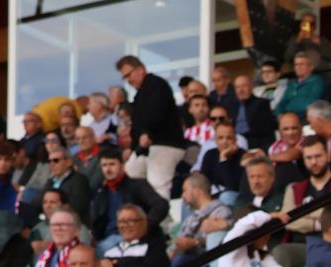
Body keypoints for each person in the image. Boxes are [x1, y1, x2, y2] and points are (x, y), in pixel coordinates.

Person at [273, 136, 331, 267]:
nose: (314, 162)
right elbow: (287, 221)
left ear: (329, 155)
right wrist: (316, 223)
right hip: (302, 245)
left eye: (318, 156)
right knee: (279, 252)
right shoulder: (293, 188)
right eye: (308, 158)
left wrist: (303, 216)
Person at [118, 56, 187, 201]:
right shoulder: (139, 95)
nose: (128, 80)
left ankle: (162, 214)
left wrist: (146, 133)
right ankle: (144, 211)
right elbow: (137, 124)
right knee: (131, 172)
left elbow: (157, 112)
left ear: (141, 70)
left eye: (129, 75)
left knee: (158, 182)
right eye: (125, 78)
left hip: (167, 144)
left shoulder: (157, 85)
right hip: (148, 147)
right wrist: (132, 147)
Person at [89, 152, 170, 247]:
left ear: (123, 166)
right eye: (104, 165)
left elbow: (161, 205)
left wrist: (143, 227)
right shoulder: (101, 192)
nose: (108, 169)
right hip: (106, 239)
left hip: (132, 240)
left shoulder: (138, 185)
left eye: (112, 164)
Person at [169, 173, 233, 267]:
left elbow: (219, 241)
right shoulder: (190, 218)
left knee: (180, 262)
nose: (182, 195)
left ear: (196, 191)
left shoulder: (221, 211)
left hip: (206, 261)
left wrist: (195, 242)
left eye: (185, 190)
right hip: (185, 259)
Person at [99, 204, 171, 267]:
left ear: (143, 223)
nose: (124, 225)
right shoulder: (110, 252)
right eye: (121, 222)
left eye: (130, 221)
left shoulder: (154, 248)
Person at [42, 143, 92, 221]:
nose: (52, 164)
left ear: (68, 162)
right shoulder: (50, 181)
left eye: (56, 160)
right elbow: (37, 202)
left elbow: (77, 206)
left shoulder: (79, 180)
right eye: (49, 161)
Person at [272, 52, 327, 120]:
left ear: (311, 67)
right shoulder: (292, 84)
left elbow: (313, 102)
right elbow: (282, 102)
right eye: (296, 65)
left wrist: (289, 109)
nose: (298, 67)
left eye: (301, 64)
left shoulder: (317, 80)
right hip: (287, 117)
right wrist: (279, 114)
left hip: (305, 116)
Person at [231, 72, 278, 150]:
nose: (240, 90)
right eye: (237, 87)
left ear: (251, 87)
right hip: (234, 142)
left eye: (244, 86)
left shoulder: (261, 104)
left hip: (253, 143)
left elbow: (267, 132)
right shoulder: (232, 106)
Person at [201, 120, 249, 195]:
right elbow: (204, 182)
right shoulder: (209, 155)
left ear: (235, 140)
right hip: (212, 196)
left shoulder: (243, 156)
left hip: (234, 196)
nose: (224, 141)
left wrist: (223, 159)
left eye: (229, 138)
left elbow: (232, 186)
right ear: (215, 140)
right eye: (220, 138)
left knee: (227, 195)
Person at [269, 111, 308, 184]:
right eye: (286, 129)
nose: (290, 133)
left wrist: (266, 158)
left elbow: (292, 155)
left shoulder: (308, 141)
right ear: (279, 131)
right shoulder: (274, 147)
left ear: (301, 128)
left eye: (294, 128)